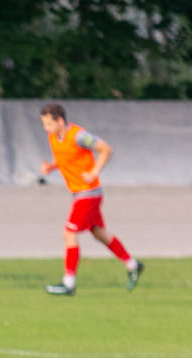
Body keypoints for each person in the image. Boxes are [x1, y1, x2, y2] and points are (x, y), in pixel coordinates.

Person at [39, 103, 144, 295]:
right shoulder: (54, 137)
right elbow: (66, 158)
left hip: (88, 193)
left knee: (69, 234)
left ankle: (69, 283)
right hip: (79, 193)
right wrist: (51, 167)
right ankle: (133, 265)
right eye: (44, 124)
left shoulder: (79, 136)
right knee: (98, 233)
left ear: (60, 121)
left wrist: (94, 171)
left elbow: (106, 149)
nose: (46, 128)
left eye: (48, 124)